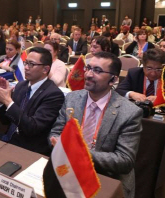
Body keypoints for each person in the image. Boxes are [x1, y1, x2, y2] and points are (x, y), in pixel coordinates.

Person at [49, 52, 143, 198]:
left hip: (106, 176)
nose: (88, 75)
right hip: (69, 170)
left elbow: (125, 160)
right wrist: (58, 144)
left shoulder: (129, 113)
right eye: (88, 68)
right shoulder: (72, 98)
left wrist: (79, 153)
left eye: (97, 70)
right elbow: (55, 132)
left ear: (113, 80)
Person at [0, 47, 64, 155]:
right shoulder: (21, 85)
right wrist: (1, 101)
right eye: (25, 63)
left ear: (45, 69)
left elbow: (32, 128)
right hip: (8, 138)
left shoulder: (53, 95)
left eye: (31, 64)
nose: (26, 68)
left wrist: (8, 101)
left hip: (28, 148)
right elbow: (5, 121)